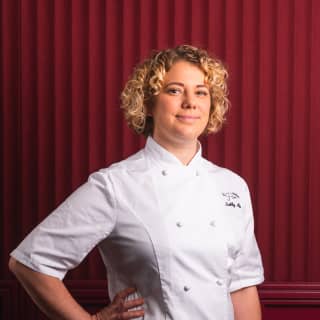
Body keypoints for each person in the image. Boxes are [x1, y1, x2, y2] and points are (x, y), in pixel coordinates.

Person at [9, 44, 264, 320]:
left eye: (201, 92)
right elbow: (31, 263)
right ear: (148, 103)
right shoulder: (116, 185)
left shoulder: (232, 186)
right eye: (175, 90)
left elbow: (241, 287)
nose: (190, 102)